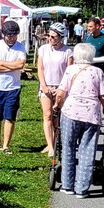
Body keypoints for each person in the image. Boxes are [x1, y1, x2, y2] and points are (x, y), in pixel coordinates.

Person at [54, 43, 104, 198]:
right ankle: (82, 189)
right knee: (87, 151)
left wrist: (56, 106)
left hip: (70, 113)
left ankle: (67, 185)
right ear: (91, 56)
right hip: (91, 115)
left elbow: (60, 94)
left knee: (68, 148)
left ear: (76, 56)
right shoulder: (98, 72)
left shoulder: (70, 70)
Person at [0, 21, 26, 154]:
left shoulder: (20, 47)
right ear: (3, 34)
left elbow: (20, 65)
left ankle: (6, 145)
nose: (12, 38)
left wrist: (2, 63)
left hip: (13, 86)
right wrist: (11, 66)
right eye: (9, 35)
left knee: (10, 116)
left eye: (15, 35)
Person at [37, 23, 74, 156]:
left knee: (56, 118)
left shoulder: (68, 51)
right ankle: (50, 146)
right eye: (49, 35)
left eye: (53, 36)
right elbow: (40, 68)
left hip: (60, 87)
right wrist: (44, 86)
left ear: (61, 37)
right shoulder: (44, 49)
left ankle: (55, 141)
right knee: (47, 115)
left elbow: (69, 72)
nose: (50, 38)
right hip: (46, 86)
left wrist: (61, 89)